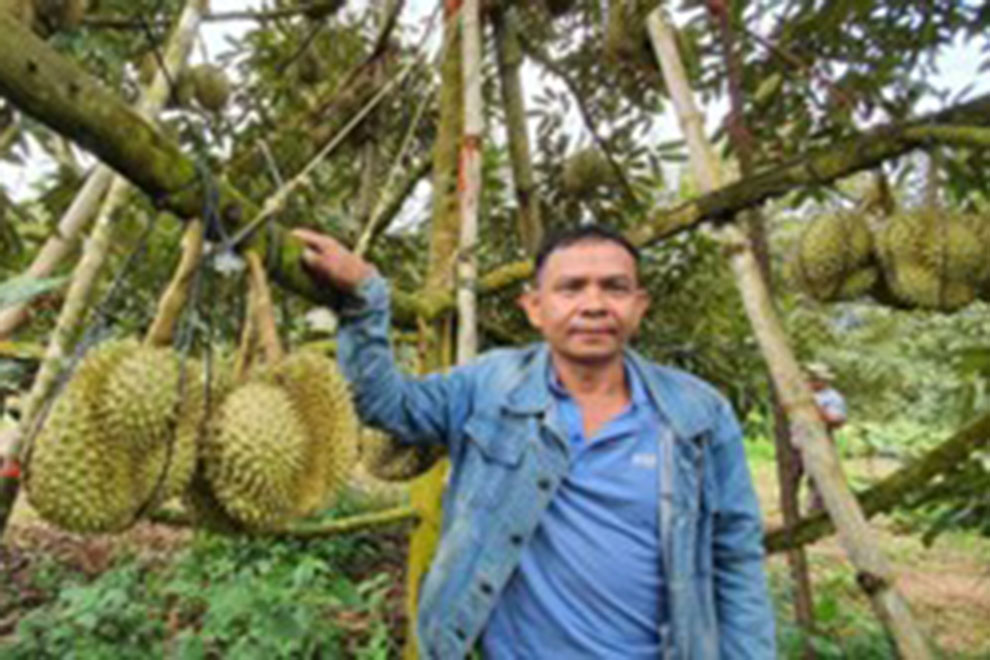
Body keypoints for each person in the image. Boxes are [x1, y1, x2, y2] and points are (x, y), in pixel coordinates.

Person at [293, 224, 775, 659]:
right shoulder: (488, 385)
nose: (594, 304)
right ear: (535, 308)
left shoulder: (698, 413)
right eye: (570, 288)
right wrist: (364, 297)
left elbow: (734, 554)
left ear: (639, 306)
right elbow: (388, 405)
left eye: (615, 287)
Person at [802, 362, 847, 513]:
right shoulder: (803, 393)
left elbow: (838, 420)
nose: (811, 382)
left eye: (815, 379)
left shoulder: (833, 398)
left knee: (821, 478)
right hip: (801, 441)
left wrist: (818, 411)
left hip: (821, 441)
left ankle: (820, 511)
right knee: (807, 478)